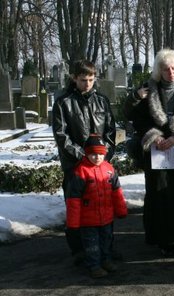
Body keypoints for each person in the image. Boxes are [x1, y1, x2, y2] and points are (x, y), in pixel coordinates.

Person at [123, 49, 174, 255]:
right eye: (166, 69)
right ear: (159, 70)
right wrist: (155, 136)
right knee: (160, 195)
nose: (170, 72)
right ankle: (164, 240)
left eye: (173, 68)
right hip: (157, 152)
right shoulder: (148, 90)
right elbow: (137, 118)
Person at [52, 60, 116, 262]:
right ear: (74, 78)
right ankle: (79, 251)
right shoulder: (64, 102)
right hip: (76, 165)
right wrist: (83, 156)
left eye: (90, 79)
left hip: (100, 164)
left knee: (103, 207)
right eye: (83, 80)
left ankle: (105, 250)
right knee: (77, 208)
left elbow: (110, 131)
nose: (87, 84)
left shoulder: (102, 101)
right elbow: (62, 135)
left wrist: (104, 154)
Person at [65, 134, 128, 278]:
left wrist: (121, 210)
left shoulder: (109, 169)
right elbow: (73, 200)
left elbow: (116, 192)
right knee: (91, 244)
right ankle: (94, 265)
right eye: (93, 154)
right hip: (88, 220)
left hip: (106, 217)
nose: (97, 157)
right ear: (87, 154)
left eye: (100, 154)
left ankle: (106, 260)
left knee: (106, 241)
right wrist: (73, 223)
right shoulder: (80, 171)